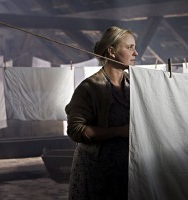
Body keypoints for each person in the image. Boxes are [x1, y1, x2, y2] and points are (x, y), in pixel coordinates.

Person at [65, 26, 138, 200]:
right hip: (96, 172)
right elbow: (75, 130)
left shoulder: (135, 84)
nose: (136, 53)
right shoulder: (89, 88)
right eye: (129, 47)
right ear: (112, 51)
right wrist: (120, 131)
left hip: (125, 172)